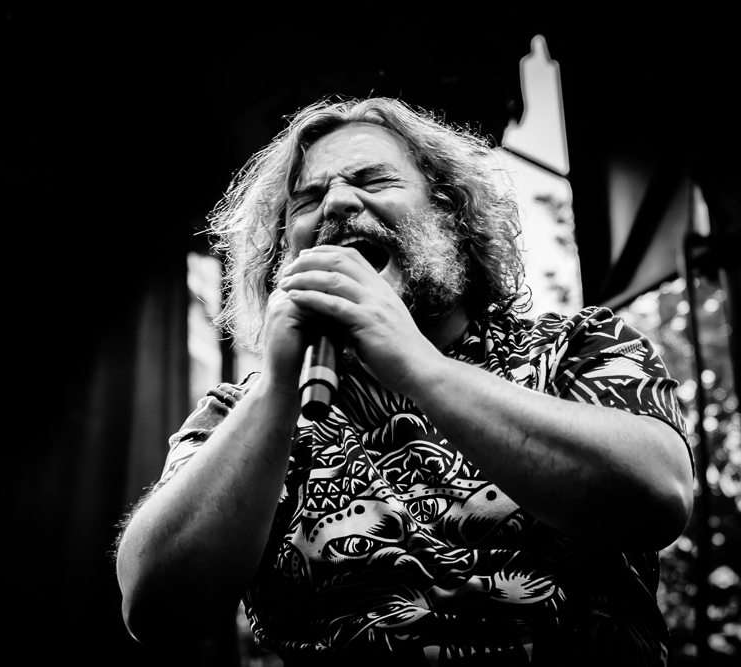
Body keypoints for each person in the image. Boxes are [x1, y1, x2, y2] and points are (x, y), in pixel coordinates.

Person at [115, 97, 694, 665]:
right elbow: (155, 611)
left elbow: (656, 497)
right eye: (308, 198)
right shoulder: (238, 413)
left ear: (450, 216)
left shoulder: (575, 346)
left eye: (373, 180)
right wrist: (274, 389)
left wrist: (415, 363)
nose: (338, 202)